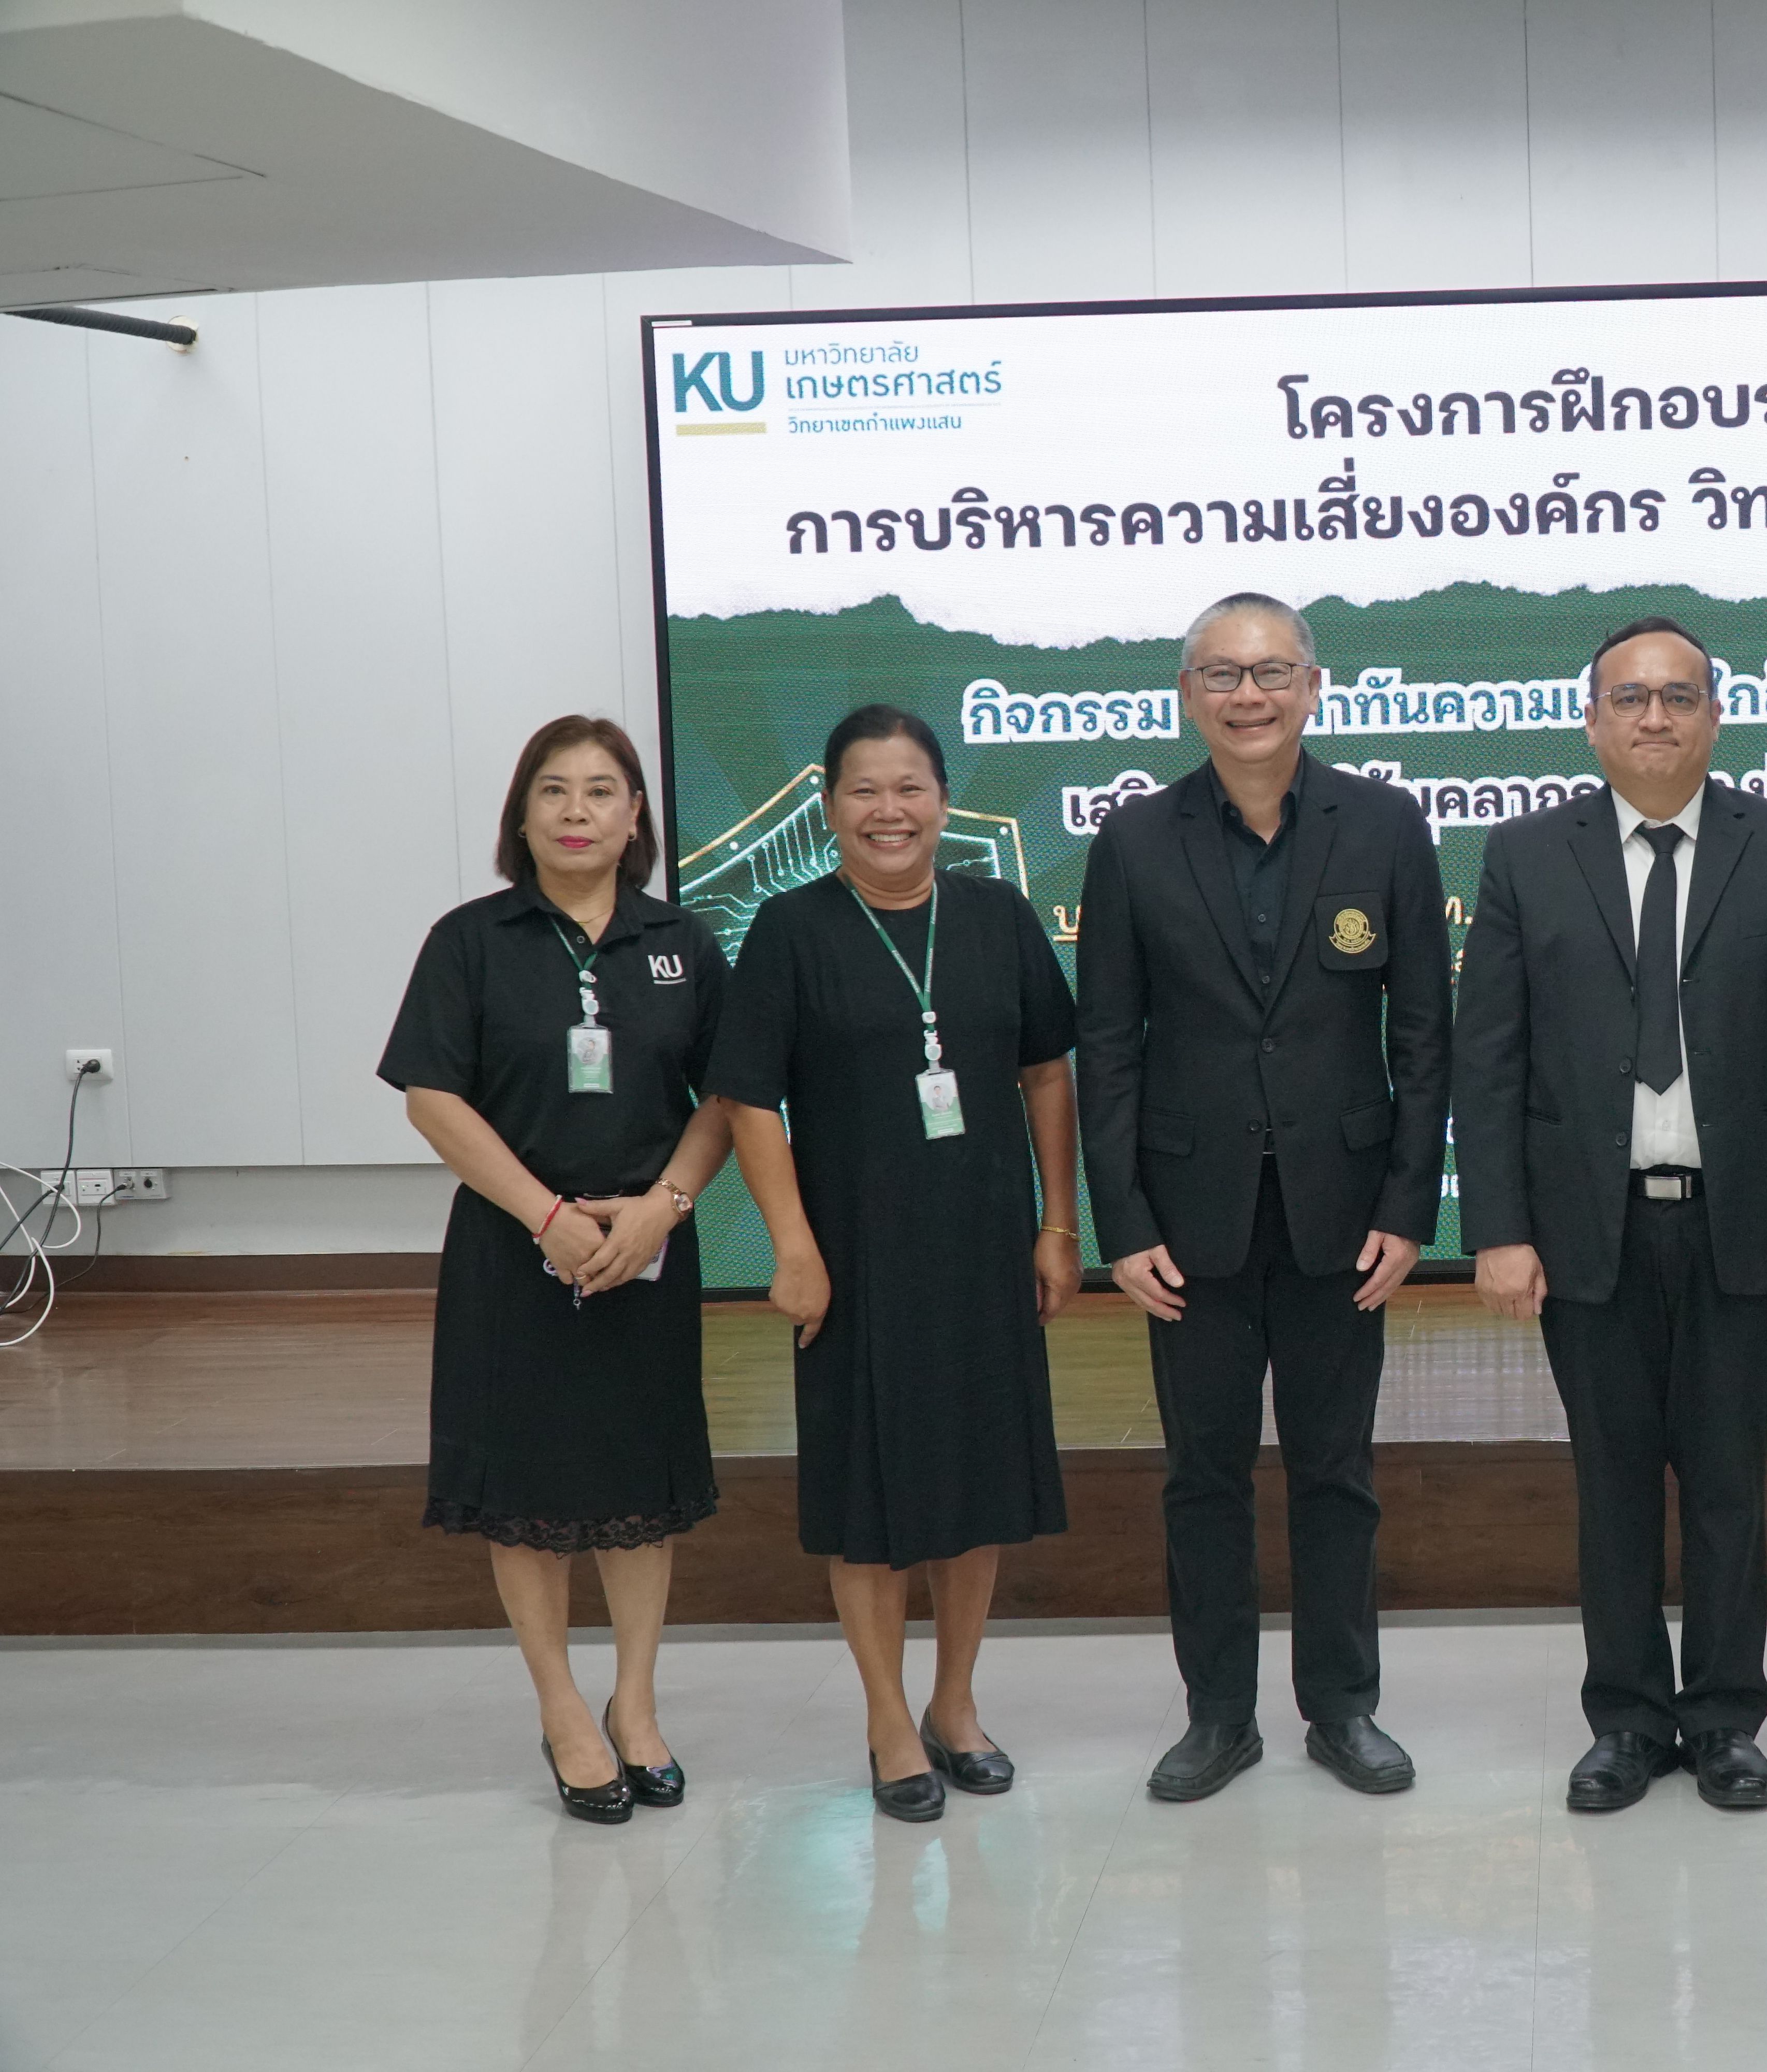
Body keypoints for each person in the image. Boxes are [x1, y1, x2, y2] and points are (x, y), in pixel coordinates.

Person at [1454, 616, 1767, 1815]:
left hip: (1747, 1221)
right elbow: (1491, 1057)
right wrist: (1498, 1226)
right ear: (1592, 721)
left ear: (1714, 717)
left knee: (1731, 1480)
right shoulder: (1525, 854)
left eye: (1678, 696)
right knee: (1614, 1480)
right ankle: (1629, 1718)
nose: (1654, 717)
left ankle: (1727, 1716)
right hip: (1589, 1228)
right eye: (1629, 698)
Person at [1076, 594, 1450, 1802]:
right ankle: (1219, 1715)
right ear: (1189, 693)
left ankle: (1343, 1707)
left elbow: (1425, 1035)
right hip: (1190, 1222)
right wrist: (1123, 1222)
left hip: (1347, 1214)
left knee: (1338, 1470)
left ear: (1313, 685)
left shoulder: (1384, 825)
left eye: (1273, 671)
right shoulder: (1135, 839)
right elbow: (1109, 1046)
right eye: (1225, 674)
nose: (1250, 695)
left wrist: (1410, 1203)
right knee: (1204, 1475)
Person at [712, 704, 1082, 1823]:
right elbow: (749, 1099)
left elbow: (1047, 1072)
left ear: (943, 801)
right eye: (865, 790)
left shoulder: (998, 915)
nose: (890, 810)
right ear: (830, 806)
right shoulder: (790, 929)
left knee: (974, 1487)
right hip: (855, 1258)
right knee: (868, 1498)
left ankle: (954, 1705)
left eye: (911, 787)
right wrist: (792, 1246)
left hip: (983, 1246)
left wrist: (1058, 1223)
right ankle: (886, 1718)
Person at [380, 715, 733, 1824]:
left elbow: (726, 1097)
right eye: (554, 791)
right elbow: (433, 1096)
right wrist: (543, 1214)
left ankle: (636, 1704)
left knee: (640, 1492)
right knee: (525, 1494)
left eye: (601, 791)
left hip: (645, 1250)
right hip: (513, 1250)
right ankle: (563, 1710)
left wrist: (664, 1207)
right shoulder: (470, 941)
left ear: (637, 817)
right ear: (522, 815)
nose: (578, 812)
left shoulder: (683, 941)